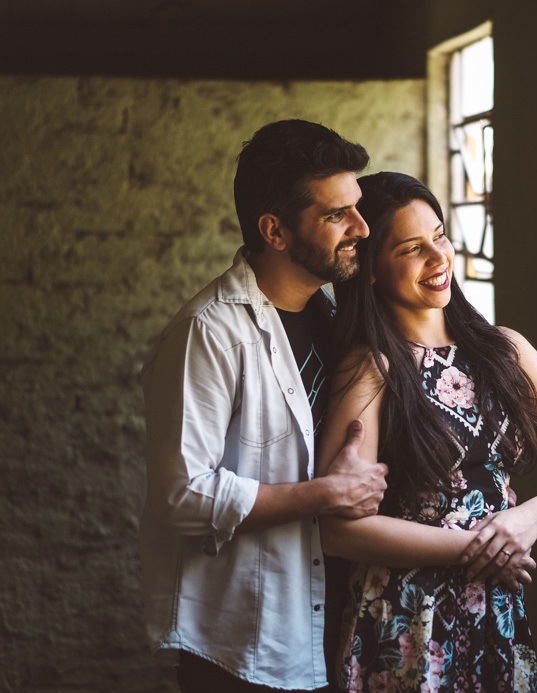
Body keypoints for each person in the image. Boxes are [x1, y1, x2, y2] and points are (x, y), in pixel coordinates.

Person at [315, 172, 537, 692]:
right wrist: (478, 547)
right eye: (412, 248)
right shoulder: (371, 368)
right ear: (371, 270)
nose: (439, 258)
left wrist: (527, 519)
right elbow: (337, 530)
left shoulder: (504, 351)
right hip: (405, 619)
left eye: (440, 236)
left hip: (496, 610)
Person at [138, 120, 390, 693]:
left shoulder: (335, 321)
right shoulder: (209, 332)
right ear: (275, 230)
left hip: (328, 625)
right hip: (244, 645)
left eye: (357, 207)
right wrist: (325, 495)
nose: (361, 227)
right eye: (337, 215)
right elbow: (183, 495)